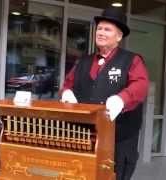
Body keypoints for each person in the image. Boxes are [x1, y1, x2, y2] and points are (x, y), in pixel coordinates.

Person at [59, 7, 149, 180]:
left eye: (107, 29)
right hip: (86, 134)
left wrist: (122, 99)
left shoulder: (132, 60)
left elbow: (141, 84)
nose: (100, 32)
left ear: (119, 36)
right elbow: (68, 83)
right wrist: (66, 92)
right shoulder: (83, 61)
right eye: (99, 28)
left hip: (120, 136)